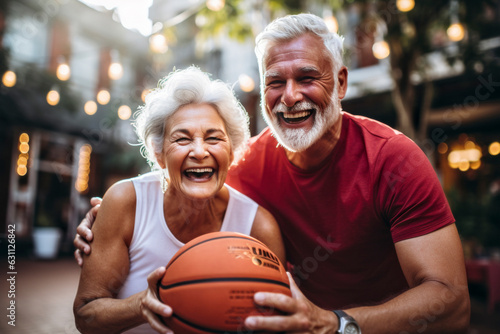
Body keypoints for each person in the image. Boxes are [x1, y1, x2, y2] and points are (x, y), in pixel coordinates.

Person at [75, 14, 470, 334]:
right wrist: (105, 219)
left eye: (307, 77)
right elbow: (189, 190)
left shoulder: (393, 159)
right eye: (275, 82)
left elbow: (452, 302)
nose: (290, 96)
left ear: (342, 83)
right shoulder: (245, 164)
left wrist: (337, 325)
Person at [73, 66, 285, 334]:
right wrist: (141, 305)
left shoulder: (259, 228)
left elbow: (276, 323)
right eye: (182, 139)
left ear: (232, 152)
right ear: (159, 154)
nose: (199, 151)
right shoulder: (127, 202)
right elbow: (86, 314)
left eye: (214, 138)